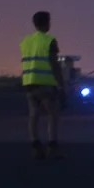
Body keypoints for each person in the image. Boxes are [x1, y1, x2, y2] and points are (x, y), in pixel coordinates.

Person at [20, 11, 64, 161]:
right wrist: (61, 84)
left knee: (33, 115)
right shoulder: (49, 40)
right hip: (45, 84)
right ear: (47, 23)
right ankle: (52, 146)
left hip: (29, 83)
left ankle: (35, 145)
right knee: (53, 114)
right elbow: (54, 64)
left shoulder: (26, 41)